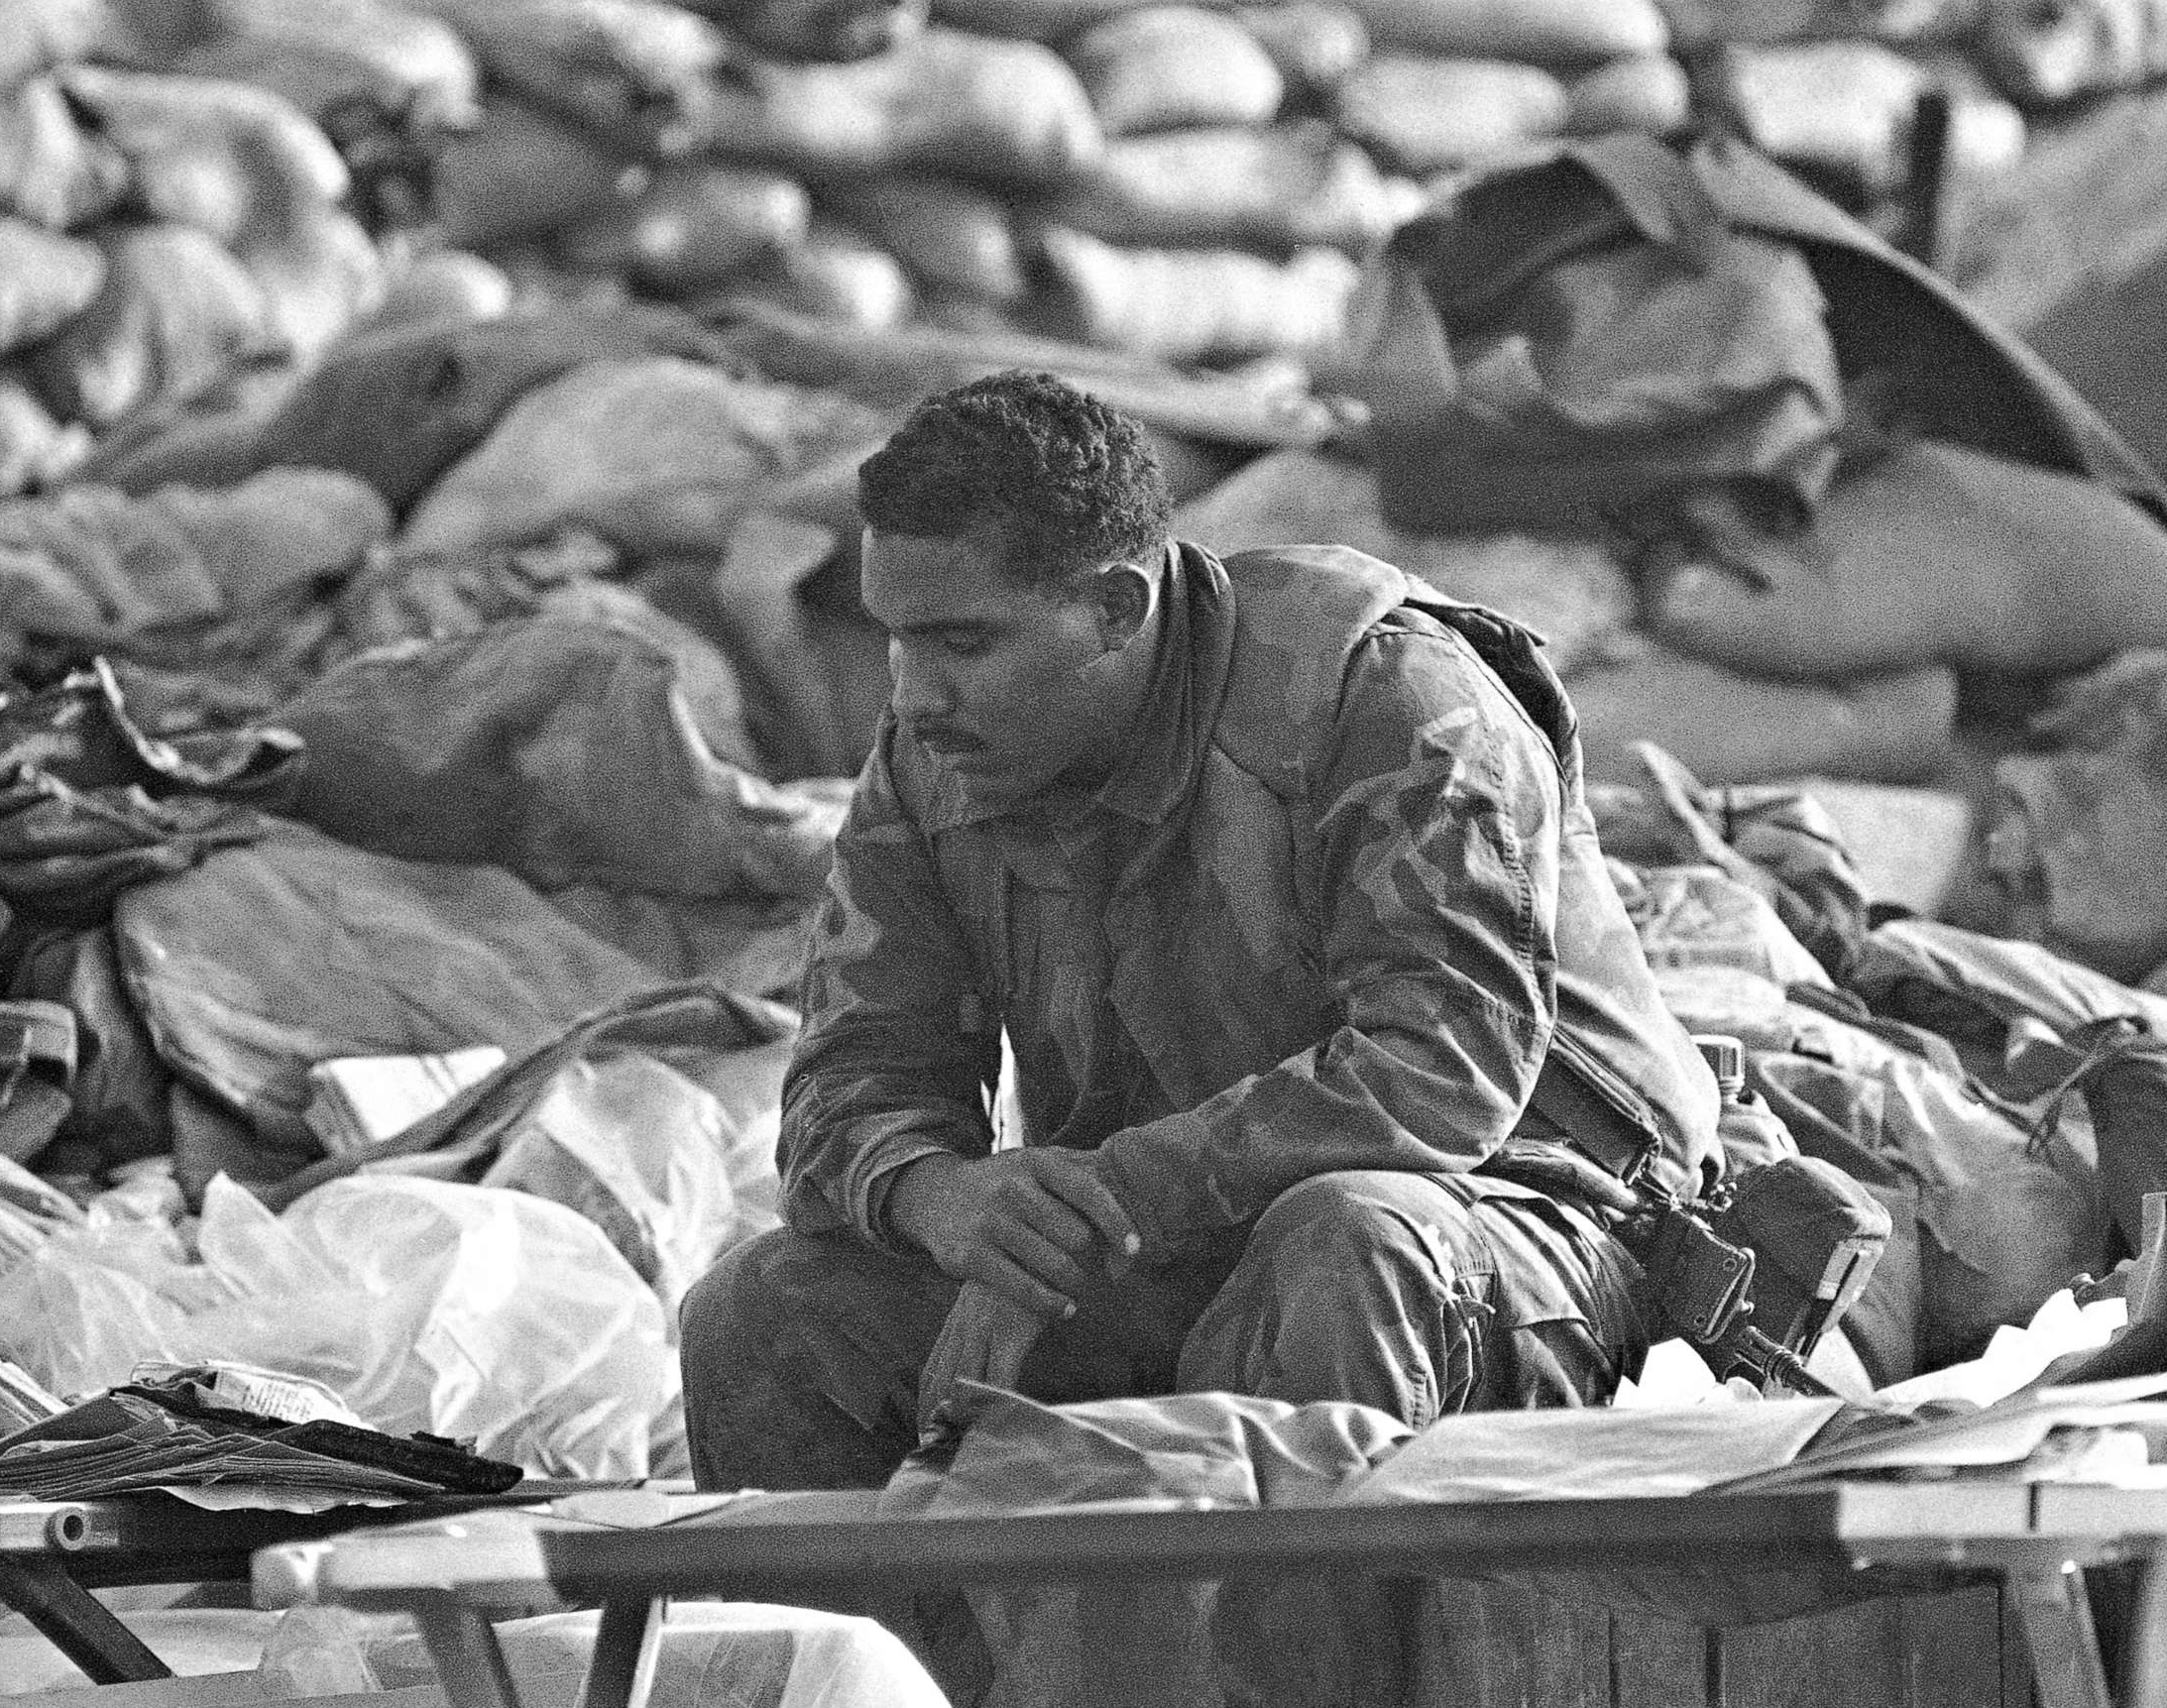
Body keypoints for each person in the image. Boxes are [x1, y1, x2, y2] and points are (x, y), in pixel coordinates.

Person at [680, 370, 1724, 1497]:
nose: (917, 693)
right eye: (896, 641)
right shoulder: (935, 758)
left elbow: (1441, 1070)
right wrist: (946, 1200)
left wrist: (1097, 1200)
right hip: (1168, 1251)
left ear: (1119, 608)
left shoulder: (1387, 695)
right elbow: (850, 1078)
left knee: (1343, 1245)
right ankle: (879, 1674)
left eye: (964, 644)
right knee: (764, 1312)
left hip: (1523, 1231)